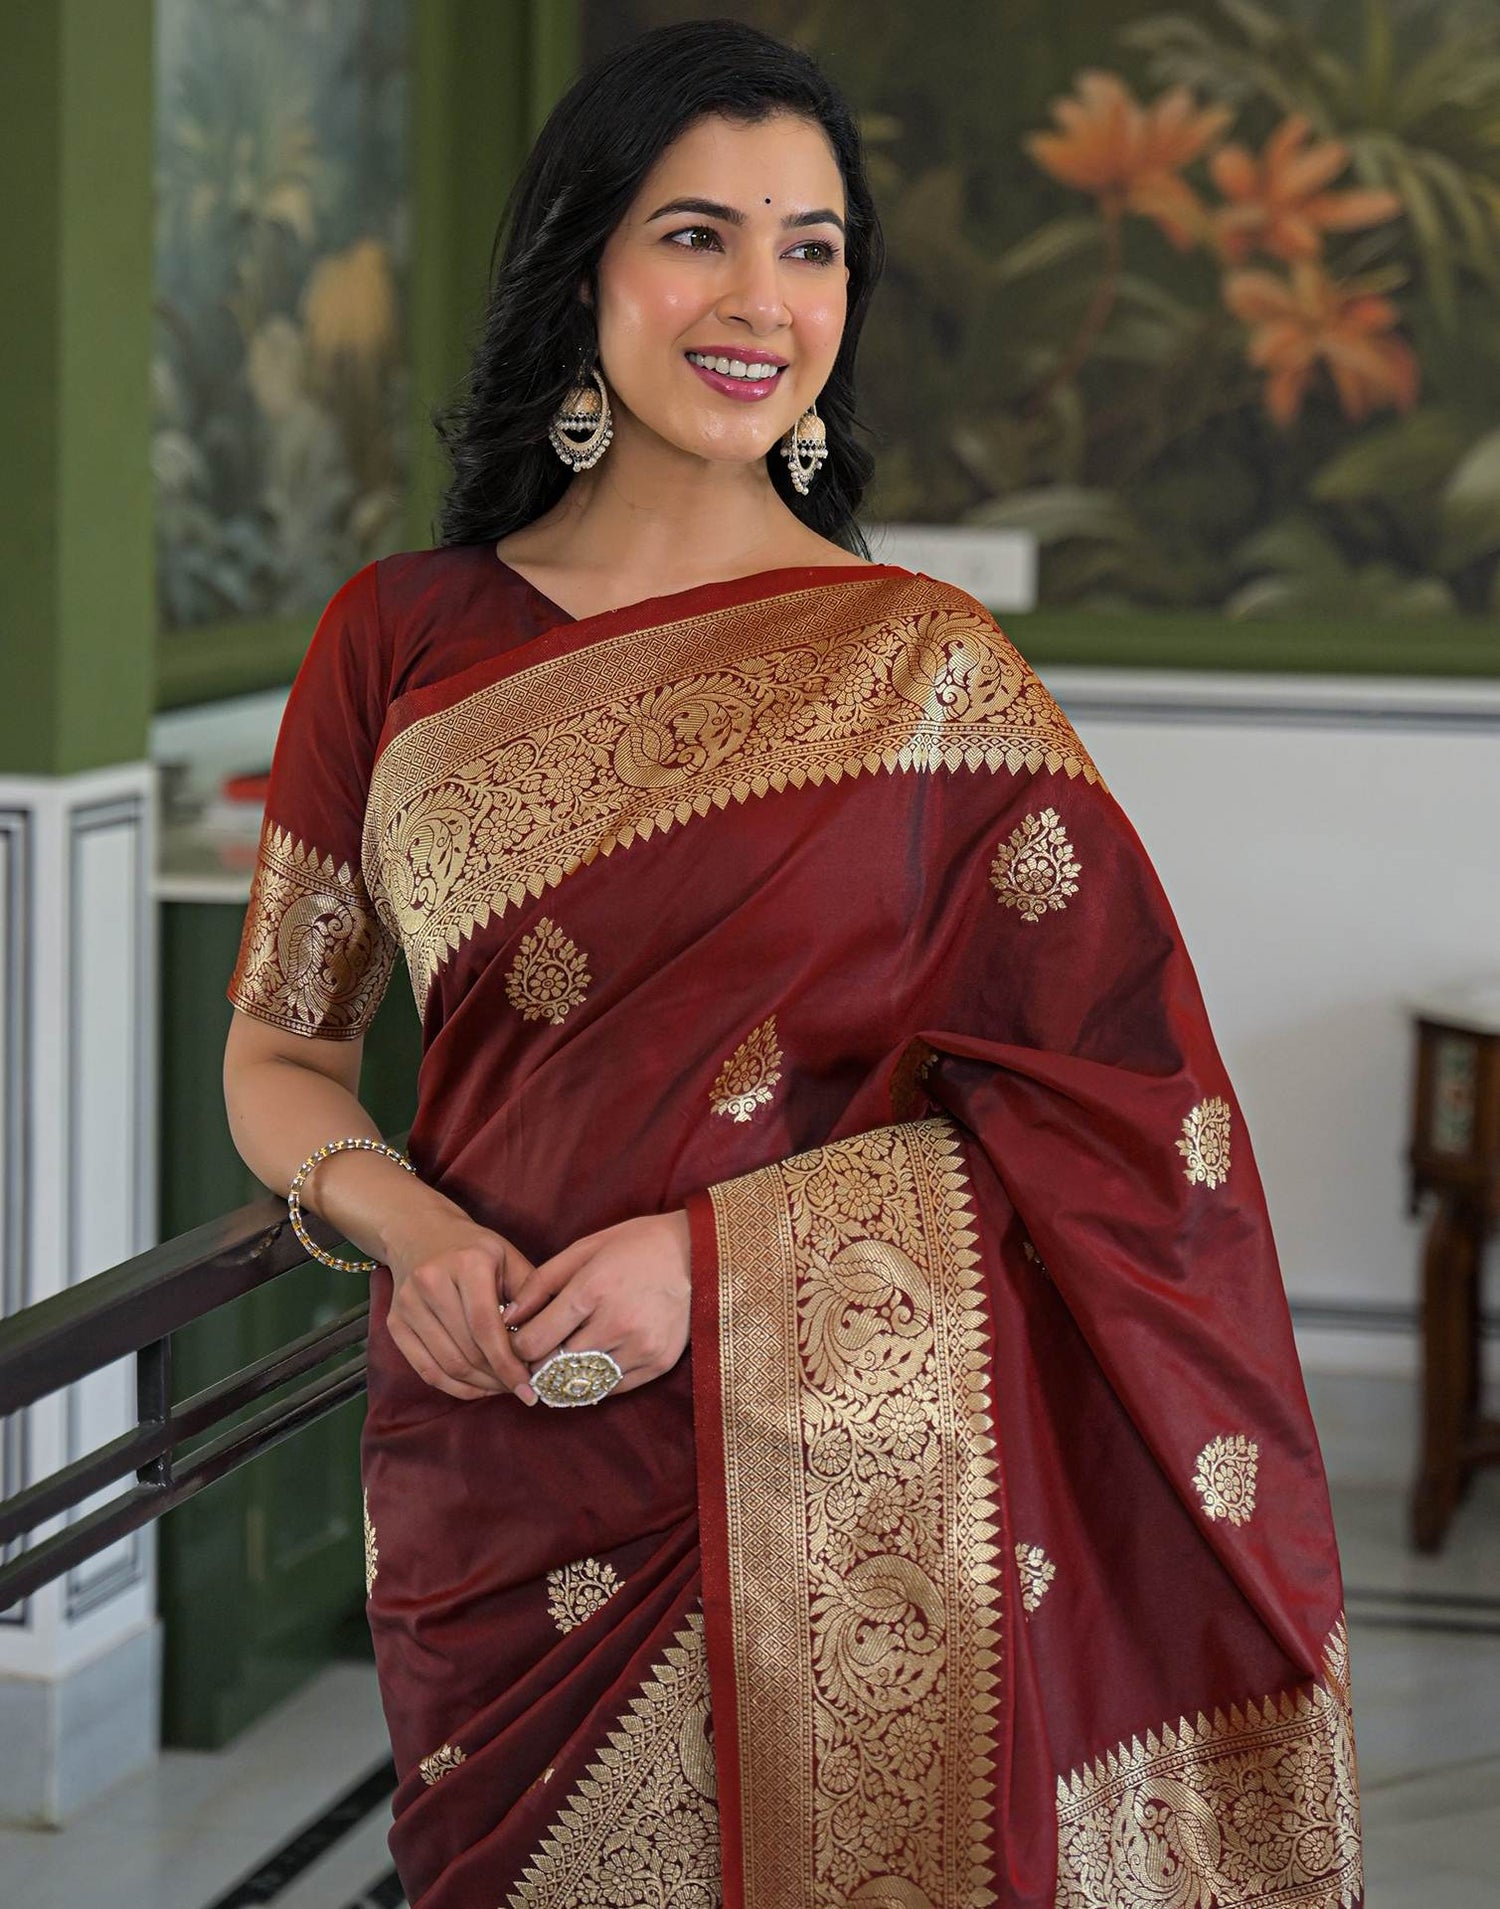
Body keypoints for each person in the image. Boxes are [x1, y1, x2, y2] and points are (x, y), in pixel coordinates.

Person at [221, 20, 1362, 1908]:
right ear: (582, 267)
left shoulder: (927, 669)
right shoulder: (399, 637)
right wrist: (411, 1232)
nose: (763, 298)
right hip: (492, 1463)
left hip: (844, 1472)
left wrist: (712, 1265)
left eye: (812, 246)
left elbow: (1128, 1127)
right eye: (698, 234)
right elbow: (281, 1051)